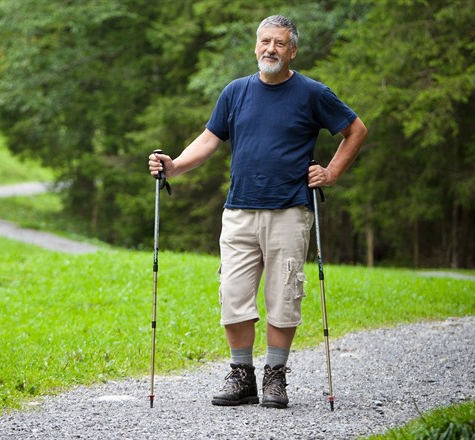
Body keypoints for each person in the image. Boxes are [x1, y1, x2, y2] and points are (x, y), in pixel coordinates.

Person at [148, 14, 367, 409]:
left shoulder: (313, 93)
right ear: (255, 46)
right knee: (233, 295)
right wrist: (174, 166)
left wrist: (331, 172)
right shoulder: (235, 92)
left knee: (284, 298)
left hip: (289, 211)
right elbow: (208, 140)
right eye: (265, 42)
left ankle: (275, 377)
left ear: (292, 50)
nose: (271, 49)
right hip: (239, 212)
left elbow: (356, 130)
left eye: (280, 43)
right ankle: (242, 376)